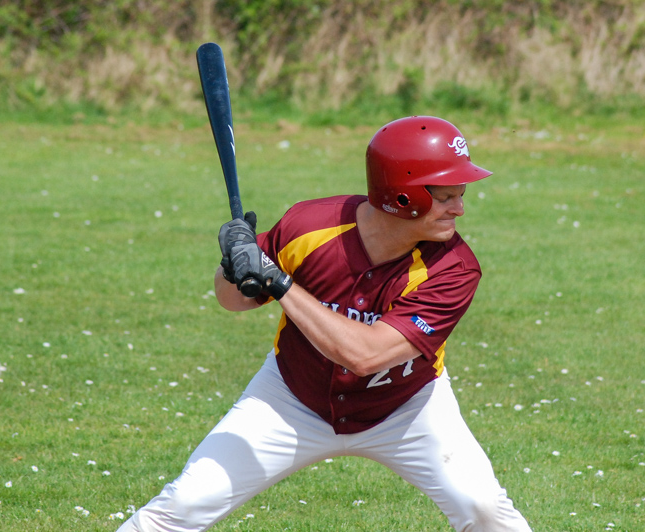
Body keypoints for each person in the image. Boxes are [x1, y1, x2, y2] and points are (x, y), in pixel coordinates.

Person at [118, 116, 532, 531]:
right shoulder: (310, 227)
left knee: (484, 510)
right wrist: (233, 266)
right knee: (186, 502)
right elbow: (233, 300)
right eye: (446, 197)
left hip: (406, 409)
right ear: (402, 196)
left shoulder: (453, 269)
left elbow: (364, 356)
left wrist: (280, 283)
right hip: (290, 397)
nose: (459, 208)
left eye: (460, 195)